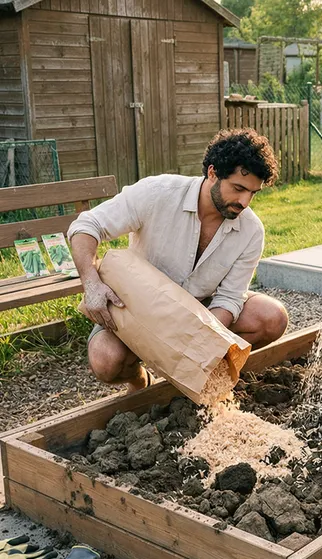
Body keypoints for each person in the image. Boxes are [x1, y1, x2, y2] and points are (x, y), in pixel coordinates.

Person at [68, 129, 289, 393]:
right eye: (238, 188)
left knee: (272, 317)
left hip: (200, 310)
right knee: (105, 360)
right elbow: (86, 226)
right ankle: (140, 382)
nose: (244, 202)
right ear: (212, 173)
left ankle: (192, 380)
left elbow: (229, 298)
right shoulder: (157, 193)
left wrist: (197, 342)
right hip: (137, 307)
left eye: (253, 193)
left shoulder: (251, 231)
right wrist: (91, 283)